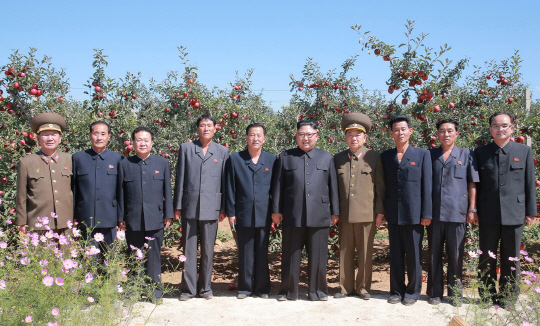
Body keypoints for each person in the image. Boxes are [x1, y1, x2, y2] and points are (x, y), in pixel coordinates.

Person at [271, 120, 339, 301]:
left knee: (318, 256)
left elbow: (333, 187)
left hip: (320, 214)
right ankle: (288, 292)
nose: (305, 138)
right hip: (293, 213)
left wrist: (335, 212)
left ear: (316, 135)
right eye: (302, 134)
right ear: (296, 136)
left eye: (309, 135)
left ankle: (318, 292)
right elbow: (278, 186)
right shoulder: (285, 157)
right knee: (291, 256)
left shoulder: (326, 157)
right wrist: (276, 210)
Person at [474, 112, 537, 308]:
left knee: (511, 257)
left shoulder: (524, 151)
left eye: (504, 126)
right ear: (490, 129)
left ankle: (509, 296)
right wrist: (474, 209)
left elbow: (529, 183)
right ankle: (486, 295)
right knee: (486, 256)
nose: (500, 129)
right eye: (496, 126)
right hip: (487, 213)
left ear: (512, 128)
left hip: (515, 213)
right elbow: (476, 184)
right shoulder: (480, 152)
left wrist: (531, 211)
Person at [174, 114, 229, 301]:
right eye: (202, 125)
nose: (206, 129)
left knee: (208, 250)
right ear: (197, 128)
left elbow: (224, 182)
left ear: (215, 128)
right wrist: (178, 205)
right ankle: (188, 289)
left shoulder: (222, 152)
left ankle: (205, 288)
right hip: (190, 205)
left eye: (209, 126)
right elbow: (180, 177)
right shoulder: (187, 149)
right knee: (188, 249)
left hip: (212, 207)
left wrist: (223, 208)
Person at [380, 115, 432, 306]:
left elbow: (427, 185)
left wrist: (426, 213)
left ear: (410, 131)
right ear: (391, 133)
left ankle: (412, 292)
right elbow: (383, 185)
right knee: (395, 254)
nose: (400, 132)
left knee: (414, 255)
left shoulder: (422, 154)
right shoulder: (386, 156)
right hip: (394, 213)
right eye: (396, 129)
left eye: (403, 129)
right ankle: (396, 291)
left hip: (415, 214)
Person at [427, 118, 479, 306]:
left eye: (450, 131)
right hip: (434, 213)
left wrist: (472, 209)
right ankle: (435, 292)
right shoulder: (430, 155)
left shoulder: (466, 154)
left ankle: (455, 293)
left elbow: (472, 183)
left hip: (458, 213)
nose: (446, 134)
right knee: (434, 254)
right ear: (437, 134)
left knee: (456, 255)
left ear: (457, 133)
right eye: (442, 130)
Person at [117, 127, 173, 301]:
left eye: (146, 140)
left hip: (155, 218)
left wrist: (168, 214)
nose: (142, 143)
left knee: (154, 258)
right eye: (139, 140)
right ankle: (133, 291)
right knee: (134, 256)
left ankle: (154, 292)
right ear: (133, 143)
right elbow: (120, 193)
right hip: (132, 219)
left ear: (152, 143)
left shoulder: (162, 163)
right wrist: (121, 217)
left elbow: (167, 192)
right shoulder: (125, 164)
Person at [333, 113, 385, 300]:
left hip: (367, 214)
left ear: (365, 137)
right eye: (349, 134)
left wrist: (380, 212)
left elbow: (380, 187)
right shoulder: (338, 158)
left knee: (365, 254)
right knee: (345, 252)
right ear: (345, 137)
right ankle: (345, 288)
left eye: (357, 134)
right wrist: (334, 212)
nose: (353, 138)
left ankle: (363, 287)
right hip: (344, 215)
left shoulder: (374, 157)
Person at [225, 123, 276, 299]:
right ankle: (245, 288)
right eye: (252, 135)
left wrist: (275, 212)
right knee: (245, 251)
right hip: (243, 212)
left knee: (262, 251)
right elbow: (230, 187)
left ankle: (262, 288)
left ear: (264, 139)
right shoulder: (235, 159)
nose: (255, 138)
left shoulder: (271, 160)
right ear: (246, 137)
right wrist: (231, 212)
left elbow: (275, 189)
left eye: (259, 135)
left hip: (264, 213)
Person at [16, 112, 73, 234]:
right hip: (38, 224)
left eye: (54, 134)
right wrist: (22, 222)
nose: (50, 138)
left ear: (60, 138)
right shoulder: (27, 162)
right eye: (45, 135)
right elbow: (21, 195)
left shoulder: (70, 160)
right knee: (40, 254)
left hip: (66, 223)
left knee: (67, 254)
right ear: (38, 139)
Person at [73, 121, 123, 246]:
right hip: (85, 217)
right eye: (95, 133)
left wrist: (121, 217)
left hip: (110, 218)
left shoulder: (118, 159)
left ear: (109, 136)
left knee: (109, 260)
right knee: (88, 261)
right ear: (90, 135)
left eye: (103, 134)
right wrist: (73, 216)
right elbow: (73, 189)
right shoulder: (78, 158)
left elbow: (121, 191)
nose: (99, 137)